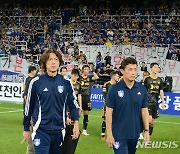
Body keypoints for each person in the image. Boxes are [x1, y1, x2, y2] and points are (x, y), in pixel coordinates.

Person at [22, 49, 80, 154]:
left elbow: (73, 104)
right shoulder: (35, 82)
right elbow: (28, 107)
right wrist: (26, 128)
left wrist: (76, 123)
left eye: (56, 59)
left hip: (59, 131)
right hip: (41, 131)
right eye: (50, 60)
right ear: (45, 63)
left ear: (59, 62)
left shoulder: (66, 83)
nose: (53, 62)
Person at [106, 57, 149, 154]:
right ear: (122, 70)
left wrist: (146, 130)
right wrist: (109, 134)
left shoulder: (142, 89)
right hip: (118, 134)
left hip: (134, 134)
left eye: (135, 69)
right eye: (130, 69)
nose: (133, 73)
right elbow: (108, 113)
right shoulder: (114, 89)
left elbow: (144, 110)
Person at [24, 60, 45, 154]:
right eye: (42, 67)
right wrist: (30, 118)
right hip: (36, 121)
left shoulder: (56, 81)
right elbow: (28, 100)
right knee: (32, 147)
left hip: (50, 124)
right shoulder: (33, 81)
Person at [62, 69, 82, 154]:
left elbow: (73, 102)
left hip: (69, 119)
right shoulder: (39, 81)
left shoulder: (67, 83)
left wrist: (76, 124)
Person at [144, 63, 165, 139]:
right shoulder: (147, 79)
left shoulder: (160, 80)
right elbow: (144, 90)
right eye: (155, 67)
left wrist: (163, 102)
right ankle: (145, 135)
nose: (157, 68)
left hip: (155, 102)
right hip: (148, 102)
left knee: (152, 121)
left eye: (157, 67)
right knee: (149, 119)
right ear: (151, 68)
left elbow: (161, 91)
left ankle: (148, 136)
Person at [79, 64, 99, 135]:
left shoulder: (90, 77)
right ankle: (75, 128)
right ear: (82, 70)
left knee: (86, 114)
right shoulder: (79, 78)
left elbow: (96, 77)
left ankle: (84, 130)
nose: (86, 71)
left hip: (87, 97)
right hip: (80, 96)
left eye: (87, 69)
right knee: (77, 113)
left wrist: (92, 70)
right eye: (85, 69)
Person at [101, 71, 119, 140]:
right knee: (105, 119)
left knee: (115, 119)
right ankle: (103, 134)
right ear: (113, 76)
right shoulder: (107, 84)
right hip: (108, 105)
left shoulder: (118, 85)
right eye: (117, 76)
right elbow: (104, 94)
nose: (118, 77)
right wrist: (109, 101)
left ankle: (113, 134)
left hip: (116, 105)